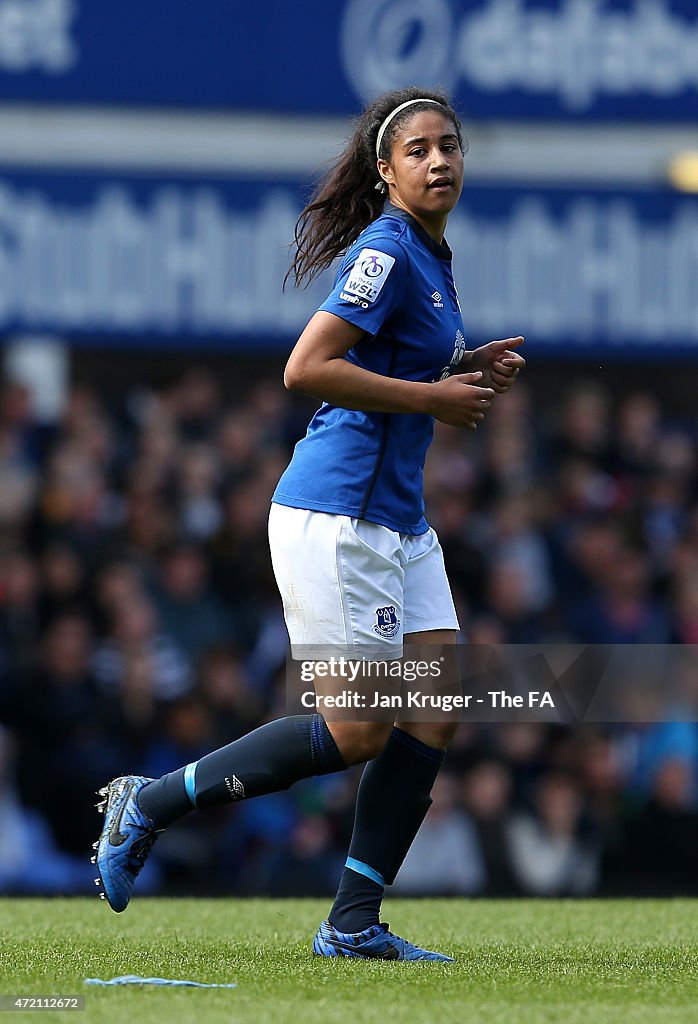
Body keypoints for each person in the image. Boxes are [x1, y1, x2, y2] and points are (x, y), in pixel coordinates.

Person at [93, 86, 525, 962]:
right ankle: (150, 803)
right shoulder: (386, 251)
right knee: (360, 730)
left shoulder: (435, 256)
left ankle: (353, 923)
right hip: (338, 517)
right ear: (385, 169)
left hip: (398, 520)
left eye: (451, 146)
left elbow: (390, 362)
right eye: (419, 151)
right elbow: (306, 367)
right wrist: (436, 397)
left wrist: (459, 365)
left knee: (436, 706)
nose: (439, 161)